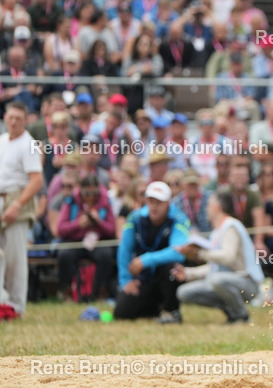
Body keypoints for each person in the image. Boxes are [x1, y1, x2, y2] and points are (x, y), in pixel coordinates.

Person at [173, 190, 265, 323]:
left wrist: (199, 253)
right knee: (183, 292)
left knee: (216, 280)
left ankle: (241, 315)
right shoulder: (217, 231)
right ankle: (231, 311)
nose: (206, 209)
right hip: (225, 280)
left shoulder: (231, 225)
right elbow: (216, 267)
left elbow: (228, 257)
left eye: (208, 205)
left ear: (217, 208)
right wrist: (188, 274)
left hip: (247, 282)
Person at [114, 181, 191, 322]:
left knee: (171, 269)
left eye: (159, 202)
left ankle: (171, 311)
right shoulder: (135, 218)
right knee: (121, 312)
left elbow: (178, 252)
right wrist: (125, 280)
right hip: (144, 277)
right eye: (150, 201)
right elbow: (124, 249)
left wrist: (145, 260)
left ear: (168, 202)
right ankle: (154, 310)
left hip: (166, 276)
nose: (154, 206)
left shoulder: (179, 219)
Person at [0, 102, 44, 318]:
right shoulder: (1, 141)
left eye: (18, 117)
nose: (14, 121)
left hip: (18, 197)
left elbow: (37, 181)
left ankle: (16, 307)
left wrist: (17, 205)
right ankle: (2, 301)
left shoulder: (30, 144)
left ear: (25, 120)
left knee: (15, 257)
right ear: (5, 117)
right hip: (1, 197)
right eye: (11, 117)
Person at [55, 173, 117, 301]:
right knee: (64, 255)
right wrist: (78, 224)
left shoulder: (105, 202)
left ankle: (102, 291)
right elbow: (60, 229)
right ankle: (66, 291)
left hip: (98, 241)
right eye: (86, 193)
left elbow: (112, 229)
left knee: (105, 255)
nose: (90, 197)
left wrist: (99, 222)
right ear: (81, 191)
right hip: (75, 240)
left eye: (94, 193)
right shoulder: (71, 201)